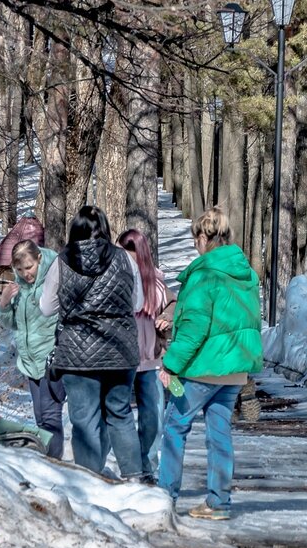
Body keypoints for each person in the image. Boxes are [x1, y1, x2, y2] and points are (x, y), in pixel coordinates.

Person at [157, 207, 262, 521]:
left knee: (174, 428)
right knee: (219, 434)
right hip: (233, 369)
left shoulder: (204, 274)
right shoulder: (244, 273)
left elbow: (196, 328)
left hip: (203, 368)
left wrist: (170, 365)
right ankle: (219, 502)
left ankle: (163, 498)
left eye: (195, 238)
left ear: (204, 236)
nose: (194, 244)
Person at [39, 205, 147, 481]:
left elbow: (46, 308)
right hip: (120, 350)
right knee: (120, 414)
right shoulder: (125, 259)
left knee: (84, 419)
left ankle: (88, 480)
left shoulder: (61, 262)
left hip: (78, 353)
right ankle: (134, 477)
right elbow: (138, 303)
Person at [0, 239, 65, 459]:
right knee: (40, 417)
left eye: (29, 267)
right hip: (29, 361)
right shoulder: (20, 287)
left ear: (39, 259)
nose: (26, 274)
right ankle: (47, 460)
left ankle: (54, 464)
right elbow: (11, 323)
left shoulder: (54, 279)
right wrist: (3, 304)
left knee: (50, 417)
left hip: (51, 360)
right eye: (20, 270)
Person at [116, 228, 172, 479]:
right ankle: (130, 468)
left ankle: (148, 466)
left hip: (150, 360)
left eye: (131, 257)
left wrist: (166, 317)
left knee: (153, 418)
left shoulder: (156, 282)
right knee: (119, 416)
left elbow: (173, 304)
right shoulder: (113, 280)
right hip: (121, 360)